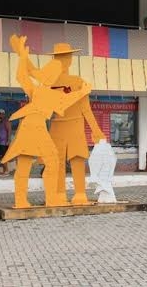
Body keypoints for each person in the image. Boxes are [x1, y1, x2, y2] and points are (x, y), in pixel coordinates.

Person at [2, 35, 92, 208]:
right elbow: (66, 100)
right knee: (51, 162)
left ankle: (23, 201)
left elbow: (22, 76)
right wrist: (83, 91)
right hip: (36, 128)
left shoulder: (36, 90)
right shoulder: (48, 93)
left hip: (28, 126)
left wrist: (22, 57)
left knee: (26, 163)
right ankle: (50, 199)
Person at [25, 42, 106, 205]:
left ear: (70, 60)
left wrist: (96, 130)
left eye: (65, 58)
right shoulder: (48, 83)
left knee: (77, 159)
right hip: (57, 126)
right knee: (57, 161)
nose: (63, 61)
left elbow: (86, 109)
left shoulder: (78, 81)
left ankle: (80, 194)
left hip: (75, 125)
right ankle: (60, 194)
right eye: (59, 58)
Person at [0, 109, 12, 175]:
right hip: (0, 143)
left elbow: (9, 131)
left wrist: (8, 140)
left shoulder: (6, 121)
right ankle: (4, 171)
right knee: (1, 157)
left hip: (4, 143)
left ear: (3, 114)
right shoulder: (0, 123)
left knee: (3, 157)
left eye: (0, 114)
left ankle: (7, 171)